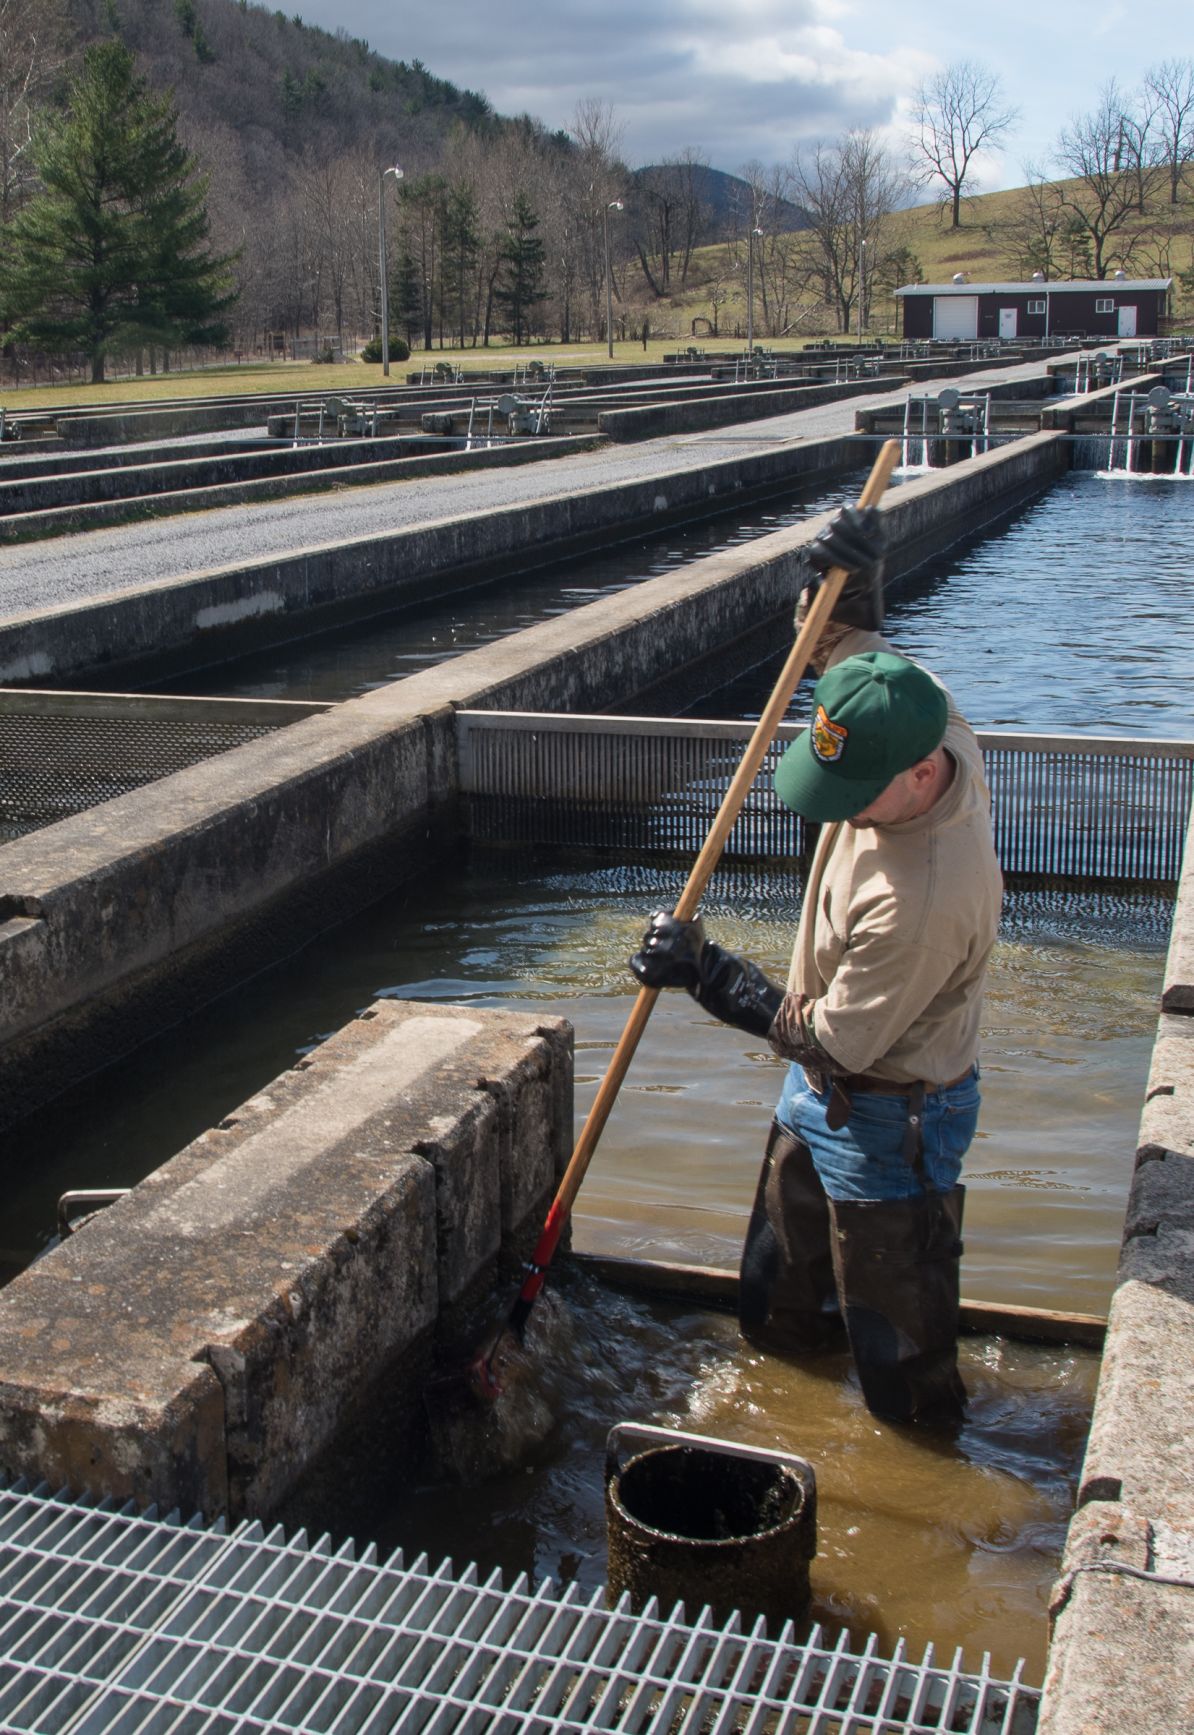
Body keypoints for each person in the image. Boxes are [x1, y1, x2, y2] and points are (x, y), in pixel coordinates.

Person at [630, 505, 1003, 1425]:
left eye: (853, 794)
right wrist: (848, 579)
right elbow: (842, 654)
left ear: (923, 776)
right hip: (817, 1094)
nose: (832, 807)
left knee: (902, 1374)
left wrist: (708, 972)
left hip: (892, 1113)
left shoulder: (921, 897)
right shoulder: (917, 713)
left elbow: (833, 1037)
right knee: (773, 1309)